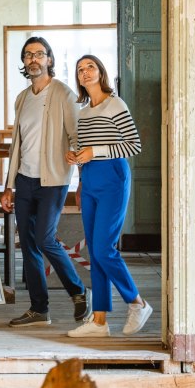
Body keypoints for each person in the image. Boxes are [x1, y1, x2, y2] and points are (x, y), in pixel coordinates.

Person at [1, 37, 92, 327]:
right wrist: (9, 185)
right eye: (28, 55)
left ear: (49, 59)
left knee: (44, 238)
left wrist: (80, 176)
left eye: (39, 54)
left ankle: (78, 291)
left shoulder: (64, 94)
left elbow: (77, 136)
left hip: (53, 179)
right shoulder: (23, 98)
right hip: (25, 180)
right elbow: (17, 144)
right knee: (27, 245)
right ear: (24, 62)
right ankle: (39, 309)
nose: (33, 60)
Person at [65, 54, 152, 338]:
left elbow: (134, 145)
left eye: (90, 66)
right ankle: (99, 321)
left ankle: (137, 302)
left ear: (100, 72)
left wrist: (94, 152)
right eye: (80, 70)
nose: (85, 72)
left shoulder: (116, 104)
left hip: (113, 177)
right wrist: (77, 162)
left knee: (104, 249)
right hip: (89, 180)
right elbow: (83, 149)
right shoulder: (84, 112)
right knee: (94, 250)